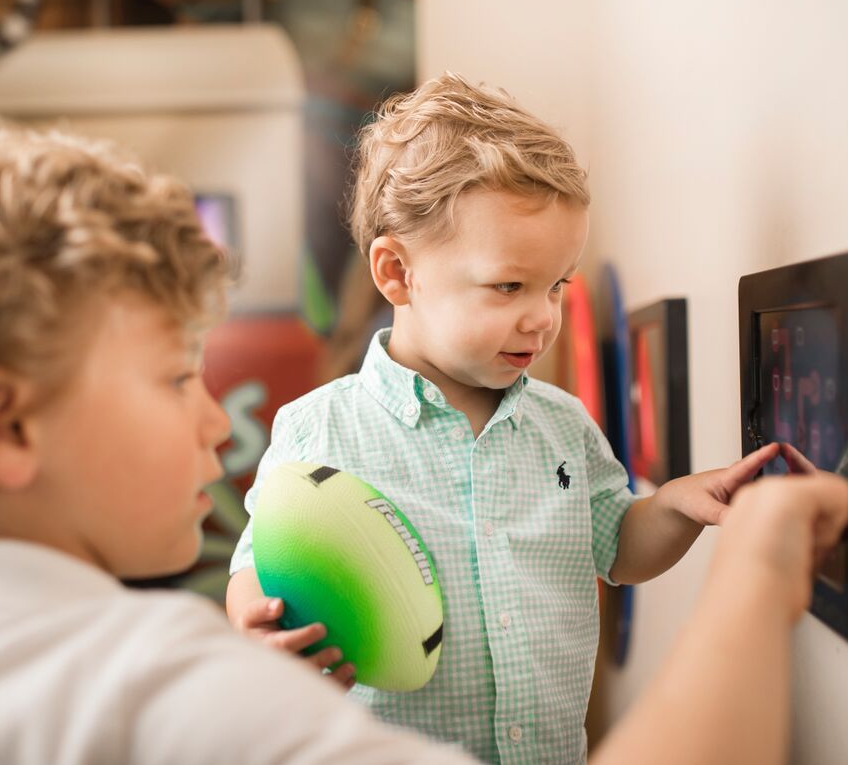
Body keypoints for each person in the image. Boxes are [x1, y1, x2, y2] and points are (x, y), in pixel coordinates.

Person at [0, 113, 848, 765]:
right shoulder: (154, 690)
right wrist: (760, 570)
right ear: (4, 425)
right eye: (168, 376)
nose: (213, 420)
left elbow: (613, 533)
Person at [226, 73, 783, 763]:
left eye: (556, 285)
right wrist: (255, 622)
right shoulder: (322, 428)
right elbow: (257, 564)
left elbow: (620, 546)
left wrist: (679, 505)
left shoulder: (563, 424)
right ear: (397, 272)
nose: (543, 316)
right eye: (508, 286)